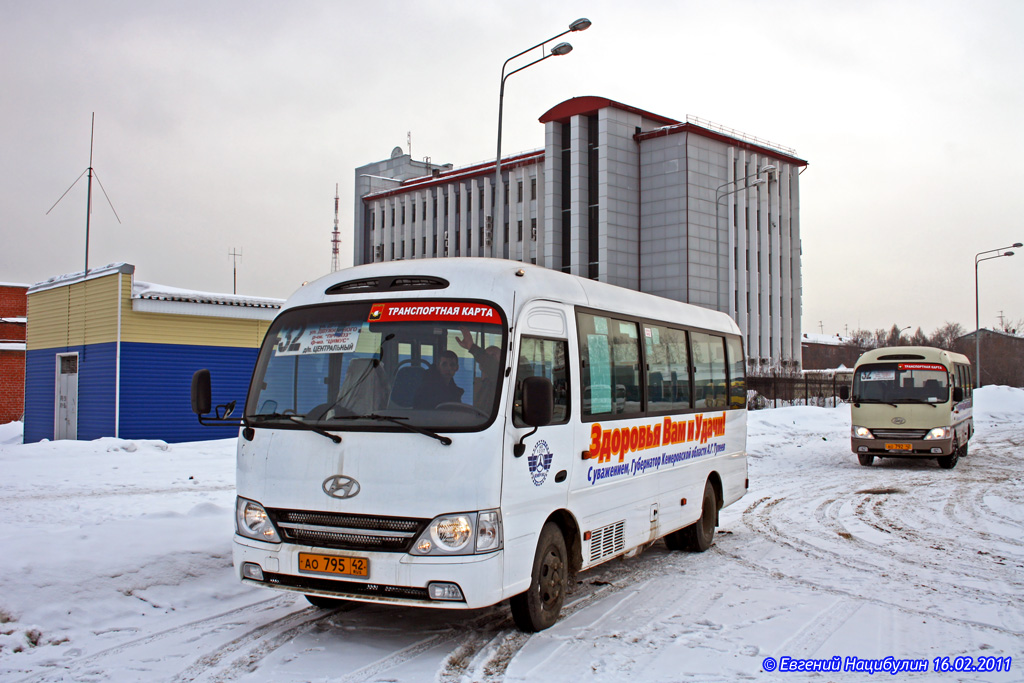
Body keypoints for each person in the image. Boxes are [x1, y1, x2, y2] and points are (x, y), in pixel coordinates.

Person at [457, 326, 501, 411]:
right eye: (487, 356)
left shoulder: (500, 380)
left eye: (493, 356)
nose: (489, 360)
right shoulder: (484, 383)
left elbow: (494, 368)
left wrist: (471, 347)